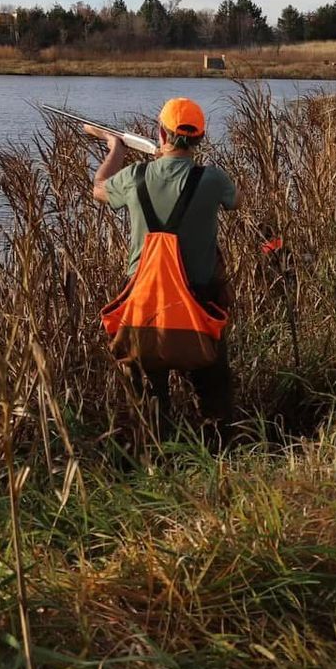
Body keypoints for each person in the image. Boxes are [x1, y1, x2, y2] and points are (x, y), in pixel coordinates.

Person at [91, 96, 239, 435]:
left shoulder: (134, 176)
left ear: (160, 133)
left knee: (149, 401)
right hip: (199, 306)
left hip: (144, 306)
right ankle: (219, 459)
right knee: (214, 395)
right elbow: (235, 201)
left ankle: (156, 465)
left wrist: (115, 148)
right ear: (201, 138)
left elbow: (98, 189)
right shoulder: (213, 179)